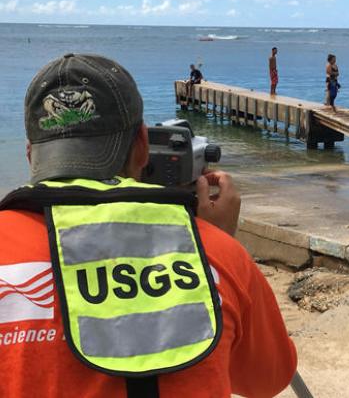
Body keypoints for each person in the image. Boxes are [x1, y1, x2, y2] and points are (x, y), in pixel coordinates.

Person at [0, 53, 297, 398]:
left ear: (30, 155)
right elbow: (267, 381)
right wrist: (214, 241)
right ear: (142, 146)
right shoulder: (218, 255)